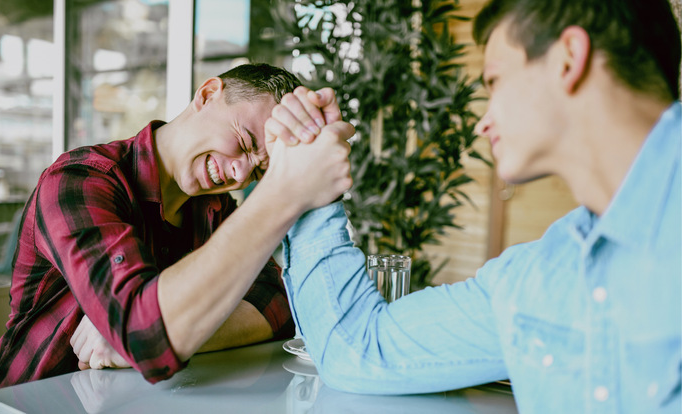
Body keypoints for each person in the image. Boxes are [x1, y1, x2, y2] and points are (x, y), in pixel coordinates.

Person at [272, 0, 682, 413]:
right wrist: (309, 185)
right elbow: (361, 350)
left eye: (496, 81)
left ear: (568, 59)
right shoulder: (539, 278)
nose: (482, 122)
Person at [0, 63, 354, 411]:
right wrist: (284, 192)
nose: (239, 175)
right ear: (207, 95)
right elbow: (143, 334)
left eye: (258, 173)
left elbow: (278, 302)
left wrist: (151, 337)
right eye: (246, 142)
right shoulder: (79, 179)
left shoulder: (213, 208)